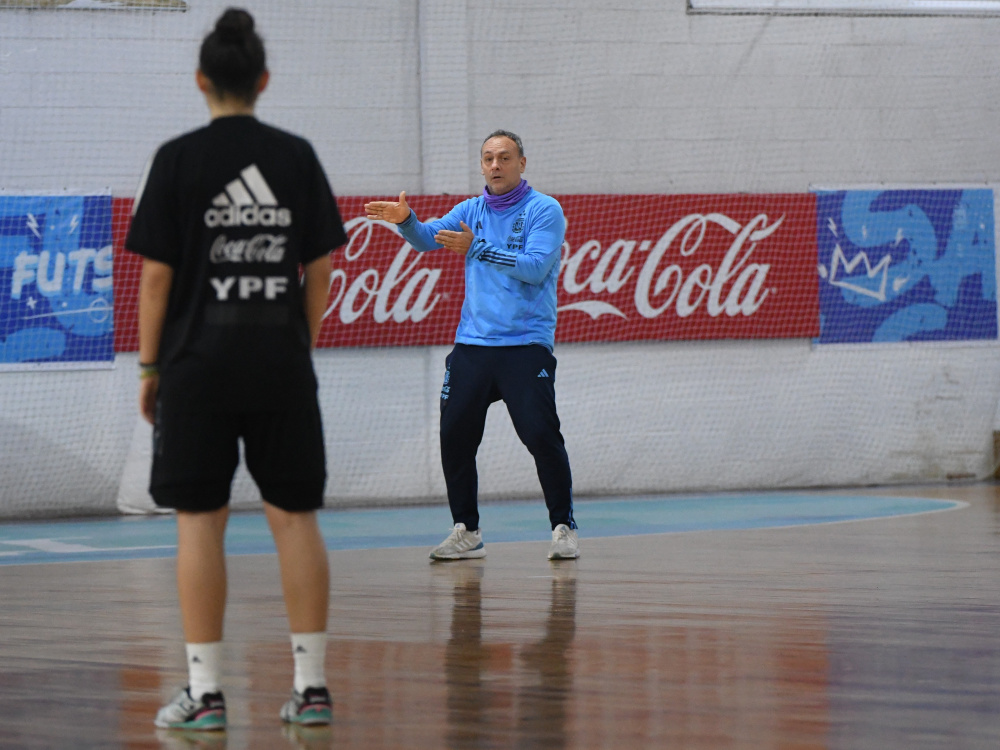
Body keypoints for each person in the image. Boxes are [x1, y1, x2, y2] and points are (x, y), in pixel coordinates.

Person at [125, 8, 347, 731]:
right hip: (279, 363)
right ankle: (311, 690)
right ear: (263, 80)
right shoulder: (296, 156)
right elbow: (320, 269)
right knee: (295, 518)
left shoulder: (176, 159)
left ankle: (206, 695)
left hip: (196, 368)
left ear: (201, 80)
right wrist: (299, 344)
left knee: (199, 522)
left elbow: (155, 281)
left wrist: (149, 369)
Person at [364, 130, 579, 562]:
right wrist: (406, 221)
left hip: (525, 345)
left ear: (522, 163)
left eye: (504, 157)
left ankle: (563, 527)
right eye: (488, 158)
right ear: (481, 166)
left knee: (541, 435)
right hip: (472, 346)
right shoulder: (469, 211)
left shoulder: (544, 209)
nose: (495, 165)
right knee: (454, 436)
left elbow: (535, 268)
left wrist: (477, 248)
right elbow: (427, 239)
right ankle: (467, 530)